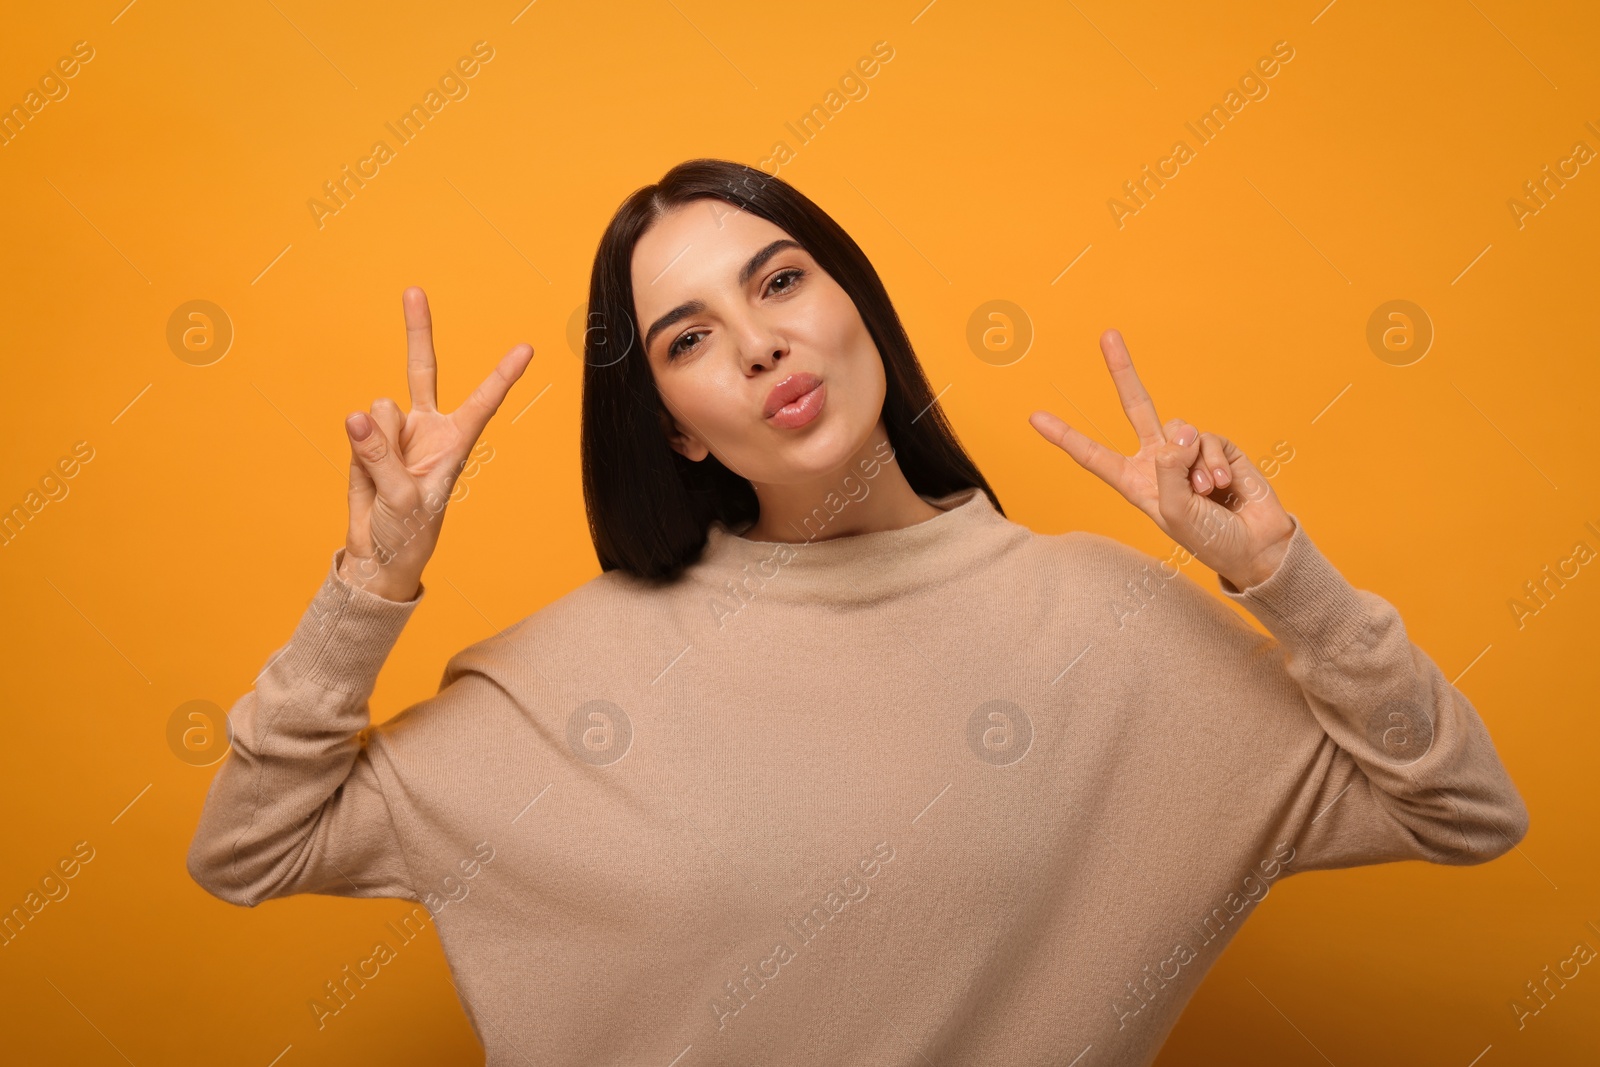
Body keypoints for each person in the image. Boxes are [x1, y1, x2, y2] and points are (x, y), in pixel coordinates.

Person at [186, 159, 1529, 1066]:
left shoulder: (1113, 626)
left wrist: (1281, 575)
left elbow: (1463, 808)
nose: (759, 342)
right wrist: (371, 584)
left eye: (779, 283)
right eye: (689, 336)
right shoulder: (570, 676)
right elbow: (249, 847)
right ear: (677, 429)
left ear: (857, 311)